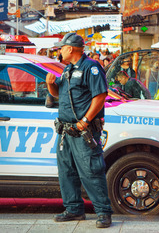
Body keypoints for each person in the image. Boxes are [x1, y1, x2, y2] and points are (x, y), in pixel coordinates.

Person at [45, 32, 113, 229]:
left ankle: (103, 212)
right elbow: (58, 94)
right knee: (67, 171)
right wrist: (50, 85)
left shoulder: (90, 67)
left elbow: (100, 95)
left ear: (70, 49)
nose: (59, 51)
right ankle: (74, 209)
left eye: (61, 48)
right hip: (66, 131)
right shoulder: (68, 69)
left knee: (91, 170)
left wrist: (85, 120)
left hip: (84, 131)